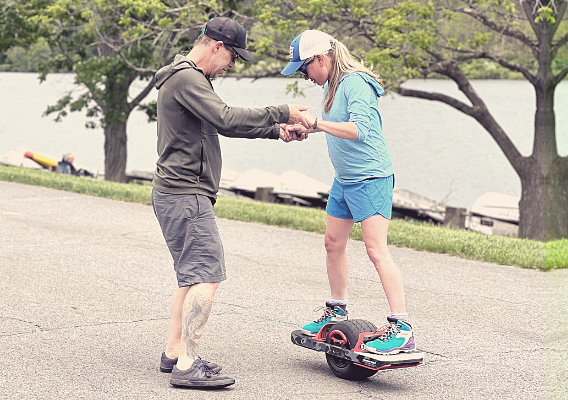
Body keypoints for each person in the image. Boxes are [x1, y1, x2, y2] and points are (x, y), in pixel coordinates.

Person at [151, 17, 309, 389]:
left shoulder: (189, 79)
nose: (233, 65)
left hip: (180, 192)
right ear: (217, 46)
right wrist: (283, 111)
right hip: (185, 193)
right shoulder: (187, 77)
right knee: (206, 273)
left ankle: (174, 353)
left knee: (192, 275)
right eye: (233, 56)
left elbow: (220, 125)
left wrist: (276, 131)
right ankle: (188, 366)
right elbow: (226, 117)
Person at [282, 30, 416, 355]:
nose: (305, 76)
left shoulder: (356, 82)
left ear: (319, 59)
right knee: (332, 244)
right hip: (344, 179)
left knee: (376, 250)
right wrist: (306, 129)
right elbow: (333, 127)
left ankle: (402, 327)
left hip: (371, 177)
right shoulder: (332, 84)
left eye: (304, 69)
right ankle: (336, 309)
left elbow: (360, 130)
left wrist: (317, 124)